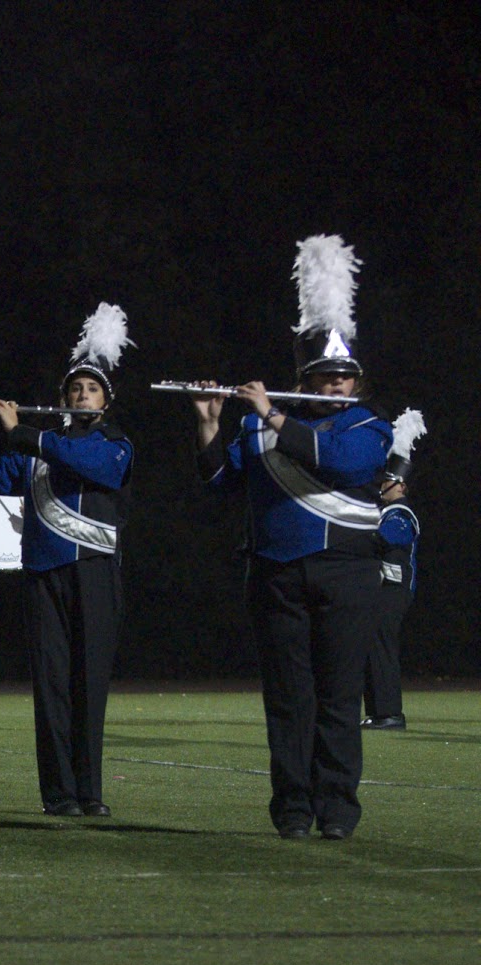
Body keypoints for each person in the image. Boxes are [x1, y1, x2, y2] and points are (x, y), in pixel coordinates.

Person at [192, 235, 391, 840]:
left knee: (337, 698)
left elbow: (344, 467)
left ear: (354, 384)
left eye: (342, 378)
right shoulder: (254, 425)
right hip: (275, 572)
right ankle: (294, 811)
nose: (332, 387)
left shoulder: (369, 426)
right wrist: (208, 427)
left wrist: (276, 416)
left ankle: (337, 811)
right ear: (303, 374)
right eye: (323, 377)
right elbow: (224, 484)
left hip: (346, 572)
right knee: (288, 701)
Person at [0, 304, 135, 817]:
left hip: (94, 575)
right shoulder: (35, 453)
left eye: (91, 390)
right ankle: (59, 794)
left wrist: (22, 432)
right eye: (75, 389)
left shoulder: (113, 443)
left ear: (105, 401)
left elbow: (91, 466)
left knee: (88, 683)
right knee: (51, 684)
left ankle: (90, 791)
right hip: (43, 573)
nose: (82, 395)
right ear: (63, 398)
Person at [362, 410, 425, 731]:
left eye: (386, 482)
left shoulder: (399, 511)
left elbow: (391, 538)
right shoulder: (383, 511)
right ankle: (378, 711)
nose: (381, 486)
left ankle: (389, 712)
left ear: (398, 487)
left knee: (381, 646)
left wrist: (357, 527)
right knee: (373, 646)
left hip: (393, 590)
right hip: (381, 589)